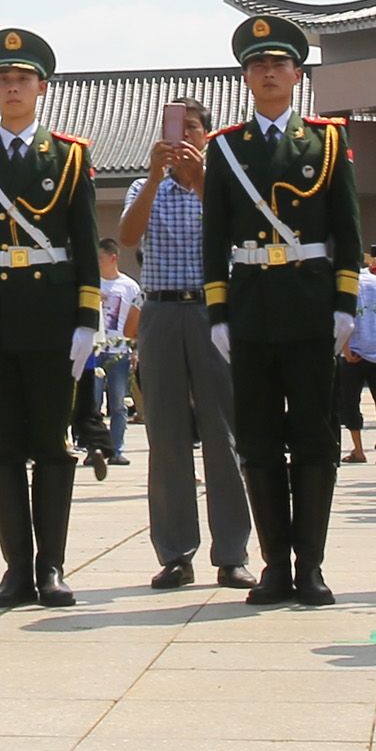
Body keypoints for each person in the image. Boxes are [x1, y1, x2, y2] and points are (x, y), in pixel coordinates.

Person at [204, 14, 362, 607]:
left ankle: (312, 564)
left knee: (315, 437)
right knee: (260, 437)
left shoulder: (327, 141)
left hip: (310, 305)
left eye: (279, 63)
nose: (268, 73)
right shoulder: (226, 148)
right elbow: (214, 236)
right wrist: (218, 313)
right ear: (246, 77)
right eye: (257, 65)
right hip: (250, 307)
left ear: (297, 74)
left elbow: (348, 229)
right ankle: (274, 565)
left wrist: (345, 302)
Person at [0, 28, 101, 611]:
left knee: (51, 445)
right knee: (2, 447)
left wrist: (88, 318)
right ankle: (16, 567)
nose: (12, 87)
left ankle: (53, 565)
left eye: (22, 79)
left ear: (41, 86)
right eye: (2, 79)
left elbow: (85, 243)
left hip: (51, 315)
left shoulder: (69, 156)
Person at [119, 96, 254, 589]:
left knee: (223, 434)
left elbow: (237, 239)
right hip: (158, 311)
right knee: (167, 436)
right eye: (174, 129)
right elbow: (128, 235)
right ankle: (175, 552)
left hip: (210, 309)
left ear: (207, 135)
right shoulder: (143, 184)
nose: (182, 138)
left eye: (192, 129)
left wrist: (199, 183)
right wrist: (155, 178)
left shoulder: (221, 184)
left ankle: (233, 551)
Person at [85, 241, 139, 468]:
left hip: (119, 351)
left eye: (100, 257)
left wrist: (135, 349)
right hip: (95, 350)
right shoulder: (92, 285)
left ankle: (117, 449)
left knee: (118, 403)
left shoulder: (129, 287)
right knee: (93, 403)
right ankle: (94, 449)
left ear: (113, 258)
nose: (97, 262)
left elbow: (137, 319)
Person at [339, 256, 376, 464]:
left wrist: (344, 348)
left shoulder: (345, 285)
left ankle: (358, 449)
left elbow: (342, 318)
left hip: (354, 349)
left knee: (351, 400)